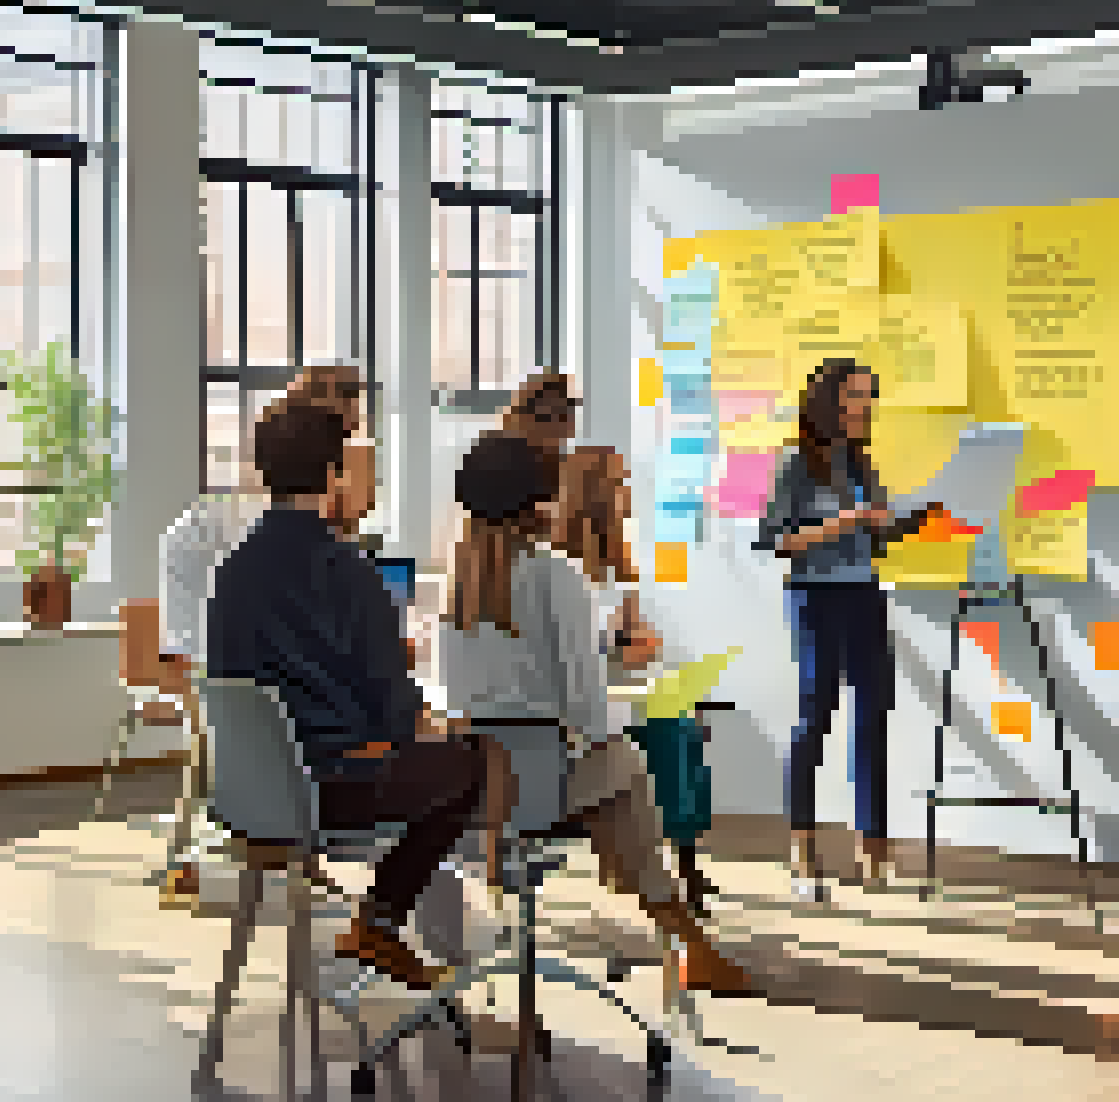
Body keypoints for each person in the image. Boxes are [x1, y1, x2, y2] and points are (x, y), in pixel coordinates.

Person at [438, 432, 755, 995]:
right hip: (543, 790)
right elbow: (584, 703)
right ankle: (682, 933)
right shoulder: (555, 573)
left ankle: (672, 922)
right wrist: (607, 728)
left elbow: (461, 698)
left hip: (477, 796)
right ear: (540, 500)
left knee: (615, 772)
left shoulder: (455, 589)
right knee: (625, 766)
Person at [207, 402, 484, 990]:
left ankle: (391, 928)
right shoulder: (349, 571)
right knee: (469, 765)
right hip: (332, 792)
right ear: (335, 474)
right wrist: (430, 726)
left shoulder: (230, 573)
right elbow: (396, 711)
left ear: (262, 473)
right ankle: (380, 922)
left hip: (250, 800)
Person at [149, 364, 368, 905]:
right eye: (343, 447)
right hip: (243, 698)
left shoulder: (310, 538)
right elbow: (195, 651)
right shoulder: (223, 535)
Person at [753, 358, 940, 900]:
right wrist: (846, 522)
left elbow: (874, 538)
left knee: (874, 715)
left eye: (869, 397)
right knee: (816, 716)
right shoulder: (795, 464)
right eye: (855, 397)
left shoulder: (861, 464)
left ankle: (872, 851)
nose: (864, 407)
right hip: (814, 596)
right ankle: (801, 848)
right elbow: (774, 540)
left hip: (864, 595)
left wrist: (912, 518)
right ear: (827, 402)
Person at [545, 445, 717, 914]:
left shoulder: (619, 568)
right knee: (669, 730)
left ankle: (683, 861)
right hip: (582, 701)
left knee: (687, 723)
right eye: (618, 484)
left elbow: (642, 643)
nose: (627, 495)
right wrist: (623, 644)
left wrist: (628, 644)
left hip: (617, 688)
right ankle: (663, 869)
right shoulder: (556, 565)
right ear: (594, 495)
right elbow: (604, 646)